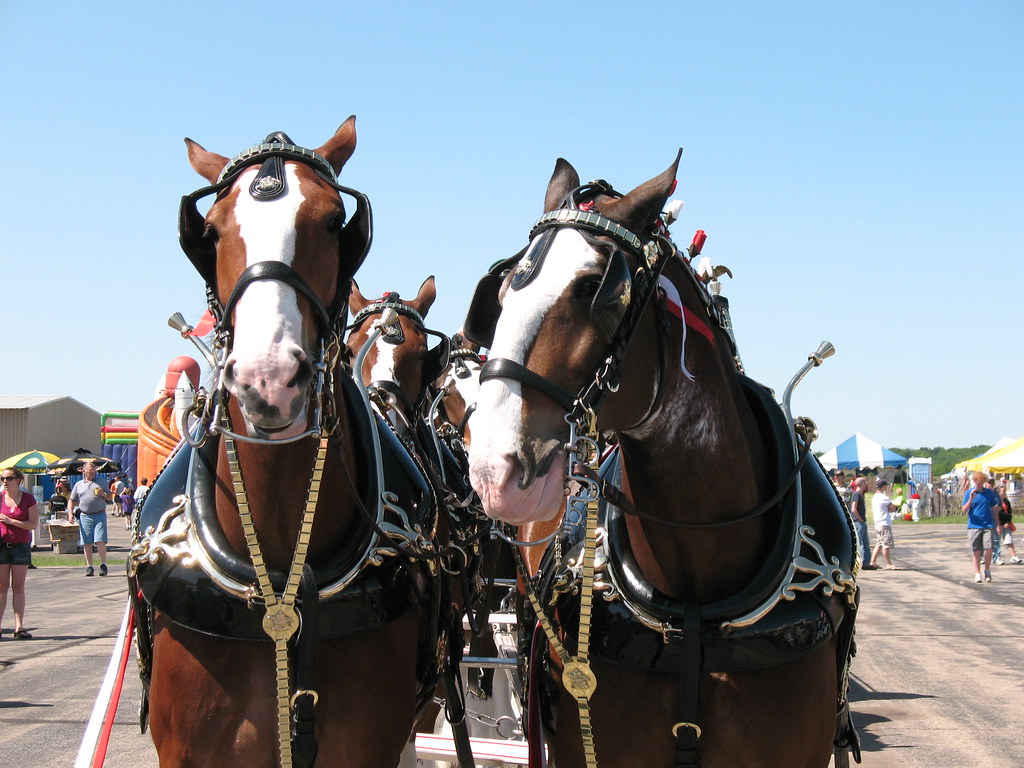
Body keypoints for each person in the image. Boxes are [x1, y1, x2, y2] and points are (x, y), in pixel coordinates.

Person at [1, 466, 40, 638]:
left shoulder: (28, 499)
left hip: (20, 546)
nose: (5, 481)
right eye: (2, 478)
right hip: (2, 545)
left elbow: (33, 524)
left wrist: (11, 521)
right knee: (1, 587)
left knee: (18, 586)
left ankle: (19, 626)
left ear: (18, 480)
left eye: (8, 478)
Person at [68, 462, 111, 576]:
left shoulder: (101, 482)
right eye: (90, 471)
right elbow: (72, 500)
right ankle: (89, 566)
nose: (92, 473)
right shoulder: (79, 485)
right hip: (85, 515)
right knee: (87, 542)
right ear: (84, 471)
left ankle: (103, 564)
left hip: (99, 514)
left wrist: (103, 494)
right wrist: (70, 514)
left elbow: (110, 496)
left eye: (93, 471)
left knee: (100, 540)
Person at [962, 471, 1001, 583]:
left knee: (989, 548)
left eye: (982, 483)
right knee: (976, 551)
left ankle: (987, 570)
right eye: (978, 483)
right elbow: (964, 510)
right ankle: (977, 573)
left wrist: (997, 524)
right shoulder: (969, 493)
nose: (980, 485)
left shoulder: (989, 493)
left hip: (987, 524)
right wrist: (971, 499)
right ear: (974, 482)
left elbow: (994, 509)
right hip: (974, 525)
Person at [868, 478, 900, 570]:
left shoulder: (875, 496)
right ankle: (889, 564)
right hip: (884, 522)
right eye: (885, 486)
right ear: (883, 487)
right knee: (886, 544)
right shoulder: (883, 497)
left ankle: (873, 562)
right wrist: (894, 506)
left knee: (879, 543)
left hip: (878, 522)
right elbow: (892, 508)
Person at [849, 477, 875, 570]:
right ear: (862, 484)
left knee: (865, 543)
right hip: (858, 522)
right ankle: (851, 562)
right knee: (858, 543)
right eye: (865, 483)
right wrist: (860, 520)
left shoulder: (861, 495)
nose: (866, 485)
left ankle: (866, 563)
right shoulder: (856, 494)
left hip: (862, 522)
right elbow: (853, 509)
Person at [996, 486, 1020, 564]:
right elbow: (997, 514)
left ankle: (1013, 557)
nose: (1005, 493)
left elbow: (1009, 513)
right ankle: (997, 557)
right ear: (998, 493)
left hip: (1007, 524)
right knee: (996, 542)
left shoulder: (1007, 501)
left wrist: (1007, 522)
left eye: (1005, 491)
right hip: (998, 525)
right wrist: (1000, 523)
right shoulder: (996, 502)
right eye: (1003, 491)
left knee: (1009, 540)